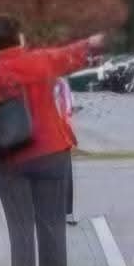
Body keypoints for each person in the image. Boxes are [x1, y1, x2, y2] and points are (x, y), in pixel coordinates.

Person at [0, 16, 104, 266]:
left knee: (19, 223)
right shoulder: (39, 60)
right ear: (19, 38)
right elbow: (70, 55)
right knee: (52, 220)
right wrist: (92, 42)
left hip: (8, 158)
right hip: (50, 152)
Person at [53, 75, 78, 225]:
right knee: (63, 174)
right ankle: (65, 212)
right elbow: (69, 108)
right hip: (57, 134)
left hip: (59, 135)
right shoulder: (60, 83)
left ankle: (66, 212)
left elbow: (69, 108)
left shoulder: (61, 84)